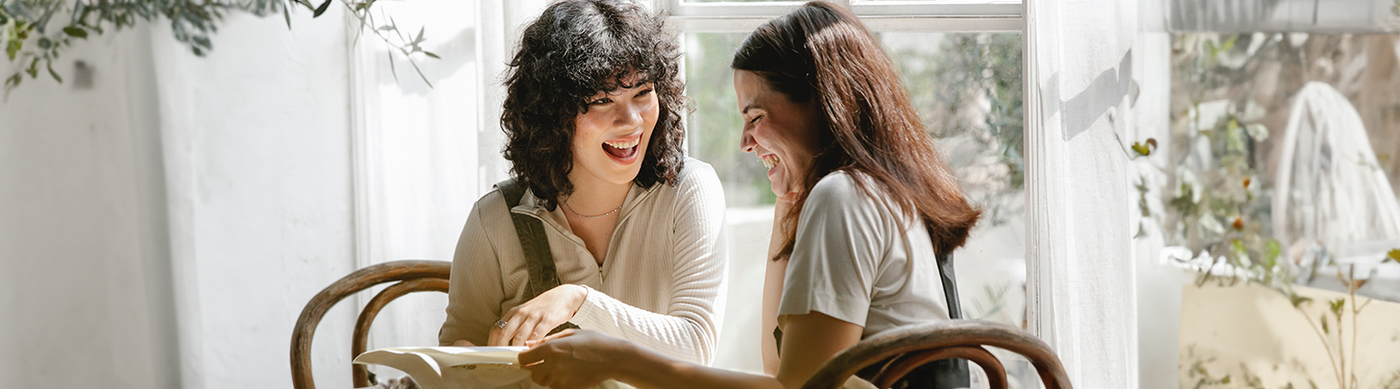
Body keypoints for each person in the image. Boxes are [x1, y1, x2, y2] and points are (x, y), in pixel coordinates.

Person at [516, 2, 981, 389]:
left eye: (755, 116)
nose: (744, 142)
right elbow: (780, 370)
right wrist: (789, 196)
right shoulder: (873, 191)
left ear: (823, 104)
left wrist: (620, 361)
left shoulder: (844, 197)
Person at [438, 0, 728, 368]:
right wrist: (475, 359)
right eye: (602, 100)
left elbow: (696, 346)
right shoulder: (495, 217)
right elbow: (456, 347)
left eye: (642, 92)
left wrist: (579, 301)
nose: (631, 120)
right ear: (552, 115)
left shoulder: (689, 189)